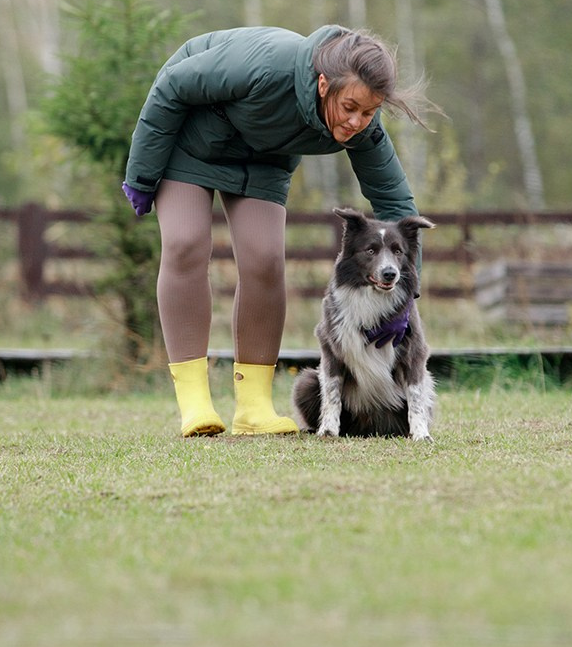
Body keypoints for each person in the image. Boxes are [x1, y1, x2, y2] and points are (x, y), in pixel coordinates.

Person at [122, 25, 427, 435]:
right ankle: (194, 403)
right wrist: (141, 174)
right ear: (323, 84)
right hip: (190, 140)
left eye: (368, 112)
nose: (357, 121)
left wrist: (407, 297)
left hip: (263, 159)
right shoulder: (267, 67)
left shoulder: (363, 126)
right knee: (185, 244)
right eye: (350, 107)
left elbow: (395, 202)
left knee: (265, 260)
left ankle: (253, 408)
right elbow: (174, 84)